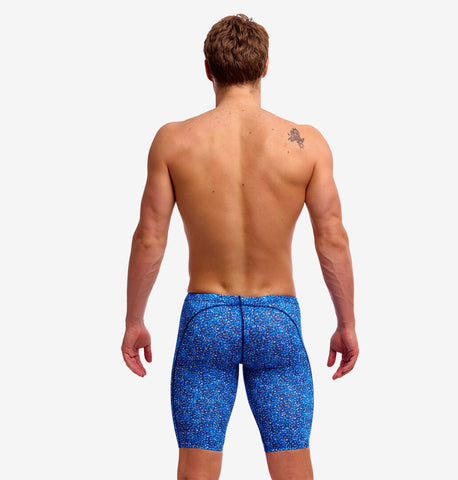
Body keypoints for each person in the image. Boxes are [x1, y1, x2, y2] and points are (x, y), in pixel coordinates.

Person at [121, 13, 359, 480]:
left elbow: (150, 236)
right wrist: (346, 323)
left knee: (196, 469)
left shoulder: (173, 141)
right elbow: (332, 238)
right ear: (266, 67)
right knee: (293, 466)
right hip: (277, 318)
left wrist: (134, 320)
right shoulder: (305, 143)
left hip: (207, 318)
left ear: (207, 70)